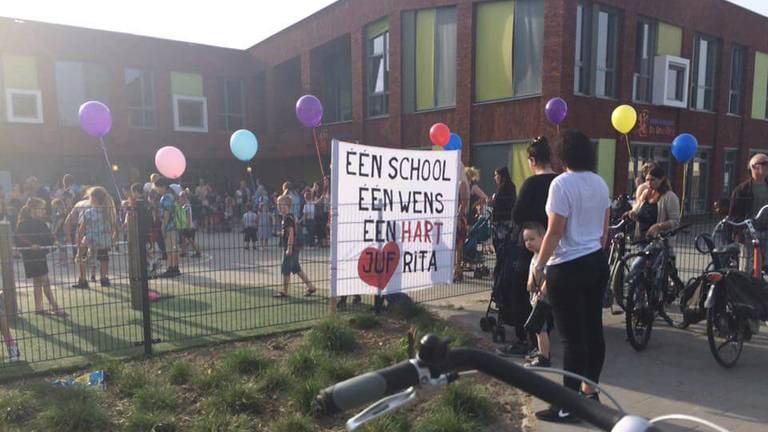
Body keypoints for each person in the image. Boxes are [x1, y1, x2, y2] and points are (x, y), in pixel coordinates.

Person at [531, 130, 610, 422]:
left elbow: (554, 231)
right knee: (593, 332)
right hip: (595, 262)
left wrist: (539, 266)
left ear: (562, 156)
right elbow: (604, 232)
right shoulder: (601, 183)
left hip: (567, 266)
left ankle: (567, 405)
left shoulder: (561, 184)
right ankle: (590, 392)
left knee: (572, 339)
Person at [507, 137, 558, 360]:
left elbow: (517, 215)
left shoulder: (531, 184)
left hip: (531, 246)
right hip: (557, 244)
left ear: (532, 160)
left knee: (523, 292)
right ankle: (545, 333)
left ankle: (526, 338)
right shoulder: (560, 181)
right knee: (549, 293)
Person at [491, 166, 530, 356]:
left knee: (503, 260)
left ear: (501, 176)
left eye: (496, 175)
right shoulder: (512, 188)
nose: (495, 178)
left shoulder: (501, 191)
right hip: (511, 233)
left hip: (503, 232)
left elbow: (498, 211)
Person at [15, 198, 67, 317]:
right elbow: (18, 237)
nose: (44, 211)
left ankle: (39, 308)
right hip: (30, 255)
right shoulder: (24, 223)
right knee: (44, 280)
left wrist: (55, 242)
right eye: (41, 209)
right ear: (33, 209)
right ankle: (55, 307)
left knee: (38, 281)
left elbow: (49, 236)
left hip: (39, 255)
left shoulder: (41, 223)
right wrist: (30, 245)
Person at [729, 153, 768, 272]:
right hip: (748, 234)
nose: (767, 166)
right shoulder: (742, 190)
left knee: (765, 267)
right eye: (764, 164)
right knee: (746, 268)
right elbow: (733, 215)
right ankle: (746, 289)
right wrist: (737, 233)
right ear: (754, 166)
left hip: (766, 232)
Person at [521, 222, 553, 368]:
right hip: (535, 297)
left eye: (532, 239)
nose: (528, 243)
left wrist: (542, 293)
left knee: (541, 329)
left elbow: (549, 276)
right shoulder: (535, 255)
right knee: (538, 329)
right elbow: (531, 273)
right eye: (526, 240)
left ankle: (544, 358)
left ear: (543, 237)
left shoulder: (546, 256)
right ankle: (541, 352)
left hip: (543, 298)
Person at [274, 194, 317, 298]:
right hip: (295, 246)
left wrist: (289, 248)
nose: (279, 207)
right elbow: (289, 232)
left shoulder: (288, 218)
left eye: (281, 205)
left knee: (286, 268)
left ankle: (284, 291)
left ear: (288, 205)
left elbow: (291, 233)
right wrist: (280, 233)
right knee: (296, 268)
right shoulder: (290, 216)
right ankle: (311, 286)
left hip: (291, 247)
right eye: (278, 205)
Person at [625, 165, 680, 240]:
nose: (649, 183)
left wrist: (658, 226)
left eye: (652, 180)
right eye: (647, 180)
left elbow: (675, 221)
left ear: (662, 179)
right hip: (641, 239)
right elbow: (637, 208)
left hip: (659, 243)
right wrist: (633, 212)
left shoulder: (670, 197)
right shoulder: (645, 192)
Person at [77, 187, 117, 287]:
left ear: (94, 198)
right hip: (104, 241)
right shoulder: (108, 211)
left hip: (90, 241)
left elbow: (81, 229)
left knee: (81, 258)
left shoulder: (88, 212)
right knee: (104, 258)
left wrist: (78, 241)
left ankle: (83, 279)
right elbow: (115, 228)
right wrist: (113, 238)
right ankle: (104, 278)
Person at [156, 178, 181, 277]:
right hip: (175, 225)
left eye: (158, 187)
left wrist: (163, 226)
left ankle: (170, 268)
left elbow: (166, 213)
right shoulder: (172, 196)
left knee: (169, 248)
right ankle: (175, 267)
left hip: (169, 226)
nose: (157, 190)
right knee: (174, 247)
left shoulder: (166, 197)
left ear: (162, 186)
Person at [177, 192, 201, 258]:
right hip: (184, 226)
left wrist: (188, 226)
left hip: (189, 226)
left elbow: (188, 216)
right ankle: (183, 252)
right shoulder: (183, 205)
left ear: (184, 198)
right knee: (183, 239)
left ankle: (198, 252)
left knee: (191, 240)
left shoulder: (186, 206)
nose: (179, 200)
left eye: (180, 198)